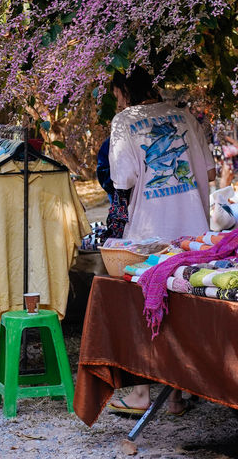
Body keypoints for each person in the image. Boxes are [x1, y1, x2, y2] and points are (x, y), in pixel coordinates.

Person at [107, 68, 216, 418]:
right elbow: (209, 171)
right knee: (188, 311)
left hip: (148, 233)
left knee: (148, 309)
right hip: (193, 230)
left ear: (123, 91)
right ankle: (177, 396)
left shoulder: (124, 120)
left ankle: (140, 392)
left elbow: (122, 178)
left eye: (116, 94)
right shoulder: (184, 115)